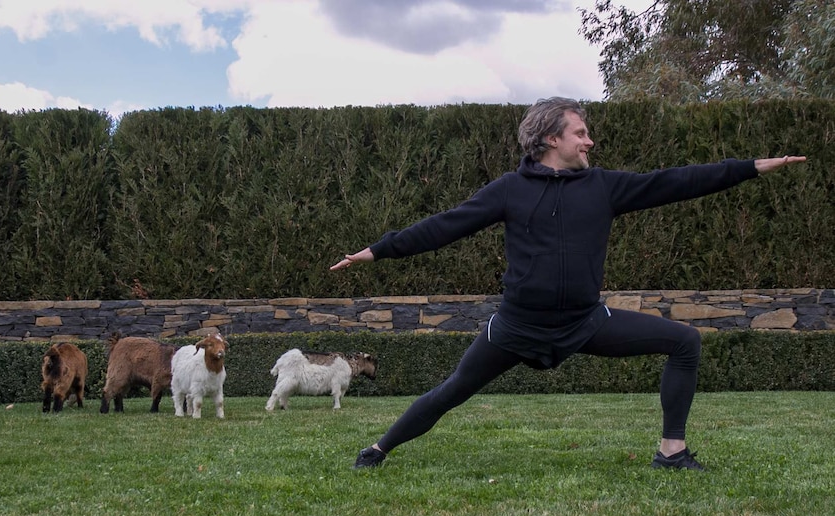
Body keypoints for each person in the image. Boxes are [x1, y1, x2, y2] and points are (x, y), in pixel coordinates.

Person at [330, 97, 806, 471]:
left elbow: (675, 182)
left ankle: (672, 451)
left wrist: (747, 168)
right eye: (581, 133)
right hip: (517, 328)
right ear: (552, 137)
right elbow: (444, 226)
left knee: (684, 340)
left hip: (584, 323)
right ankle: (378, 448)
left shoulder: (604, 186)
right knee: (451, 391)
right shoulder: (509, 190)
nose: (589, 142)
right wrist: (379, 249)